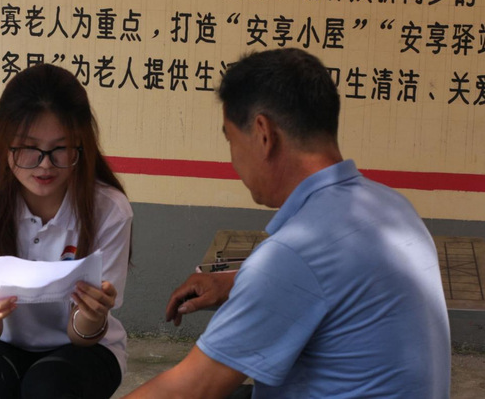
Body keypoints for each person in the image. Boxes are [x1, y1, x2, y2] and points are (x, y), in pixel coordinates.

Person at [124, 48, 450, 398]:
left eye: (231, 140)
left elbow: (191, 389)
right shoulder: (391, 205)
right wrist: (236, 283)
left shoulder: (293, 254)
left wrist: (258, 279)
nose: (233, 160)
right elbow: (336, 281)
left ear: (263, 134)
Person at [0, 64, 133, 399]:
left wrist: (91, 315)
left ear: (82, 144)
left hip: (81, 347)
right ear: (3, 144)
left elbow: (83, 336)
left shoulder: (109, 209)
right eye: (28, 147)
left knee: (50, 387)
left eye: (60, 148)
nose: (45, 164)